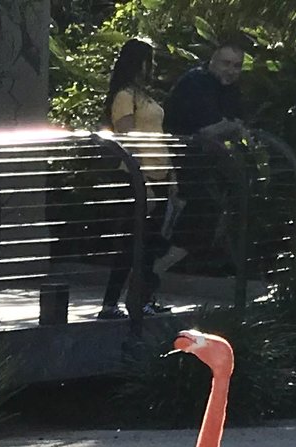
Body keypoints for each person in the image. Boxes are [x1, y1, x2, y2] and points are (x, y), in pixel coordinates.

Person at [148, 35, 251, 298]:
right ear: (213, 62)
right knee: (198, 211)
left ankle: (157, 267)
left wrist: (233, 128)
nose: (231, 70)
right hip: (180, 163)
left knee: (208, 215)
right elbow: (209, 129)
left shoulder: (228, 89)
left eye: (237, 65)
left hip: (206, 167)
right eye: (226, 63)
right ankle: (154, 267)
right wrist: (232, 127)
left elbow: (232, 122)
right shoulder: (196, 83)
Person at [97, 36, 165, 321]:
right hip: (138, 177)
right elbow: (127, 138)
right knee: (130, 241)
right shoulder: (125, 96)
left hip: (159, 174)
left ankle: (144, 298)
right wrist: (142, 180)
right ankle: (111, 303)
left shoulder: (145, 95)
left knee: (151, 242)